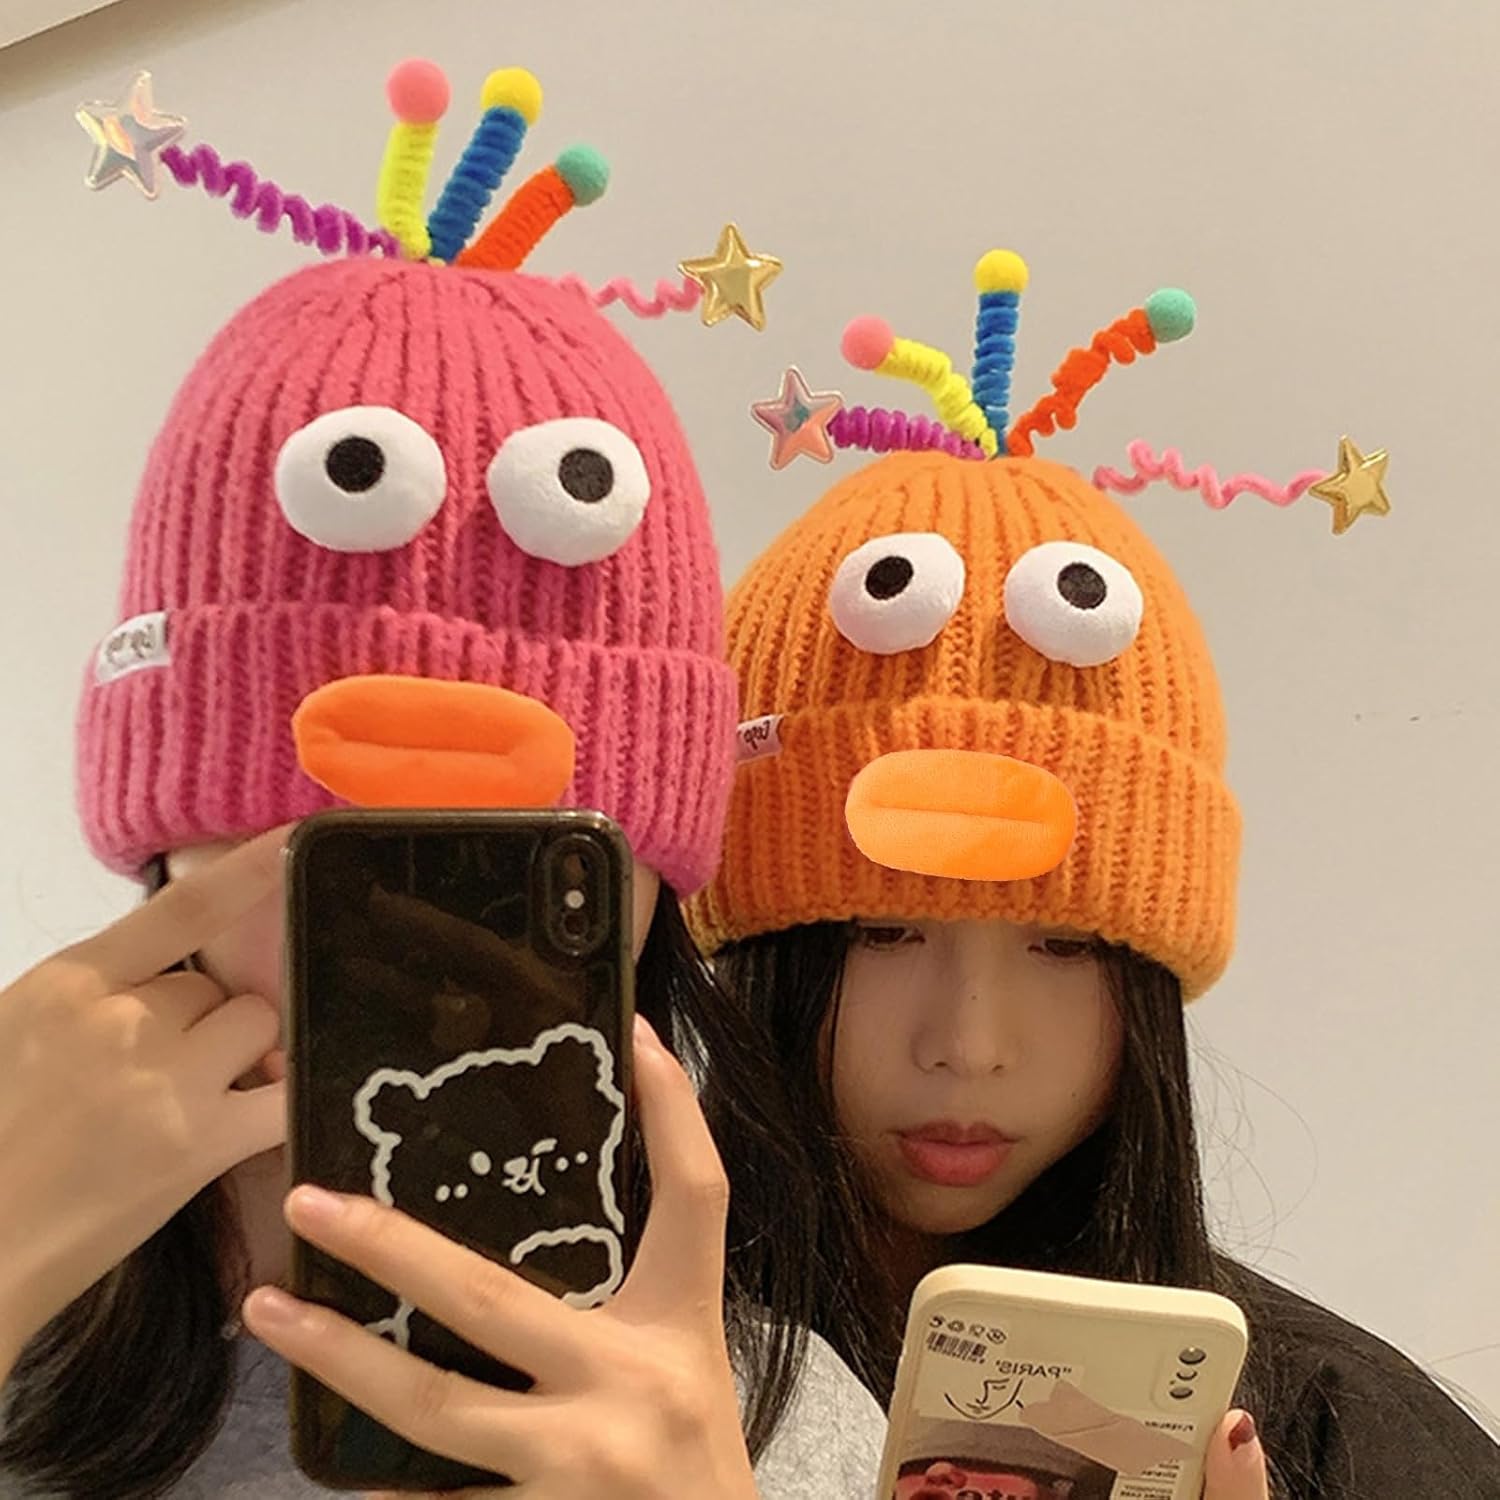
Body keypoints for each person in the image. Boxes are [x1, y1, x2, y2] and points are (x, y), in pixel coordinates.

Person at [0, 58, 884, 1500]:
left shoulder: (778, 1431)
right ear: (162, 851)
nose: (408, 944)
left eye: (508, 870)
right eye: (322, 846)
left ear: (647, 904)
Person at [687, 249, 1500, 1498]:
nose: (970, 1046)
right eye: (881, 933)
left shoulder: (1338, 1439)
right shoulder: (568, 1373)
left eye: (1062, 945)